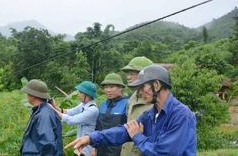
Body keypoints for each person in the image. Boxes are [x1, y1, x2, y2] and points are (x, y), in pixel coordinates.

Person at [65, 65, 197, 156]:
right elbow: (124, 130)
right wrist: (91, 138)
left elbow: (165, 152)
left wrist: (138, 136)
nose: (139, 93)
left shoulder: (181, 115)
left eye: (141, 87)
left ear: (156, 85)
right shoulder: (150, 115)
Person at [51, 81, 99, 156]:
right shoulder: (83, 105)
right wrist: (55, 107)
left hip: (87, 150)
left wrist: (52, 109)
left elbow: (72, 120)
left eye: (81, 92)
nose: (78, 94)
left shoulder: (92, 110)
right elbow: (69, 112)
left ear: (88, 95)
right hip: (80, 148)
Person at [120, 56, 154, 156]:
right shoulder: (132, 98)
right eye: (127, 74)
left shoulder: (155, 102)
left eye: (132, 73)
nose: (128, 77)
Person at [20, 79, 63, 156]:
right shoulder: (42, 111)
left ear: (33, 95)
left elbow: (47, 143)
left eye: (27, 93)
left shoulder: (43, 115)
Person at [90, 73, 129, 156]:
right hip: (101, 150)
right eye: (106, 87)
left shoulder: (127, 104)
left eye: (111, 87)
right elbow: (98, 127)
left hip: (117, 151)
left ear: (120, 87)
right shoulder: (103, 104)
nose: (108, 90)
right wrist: (94, 148)